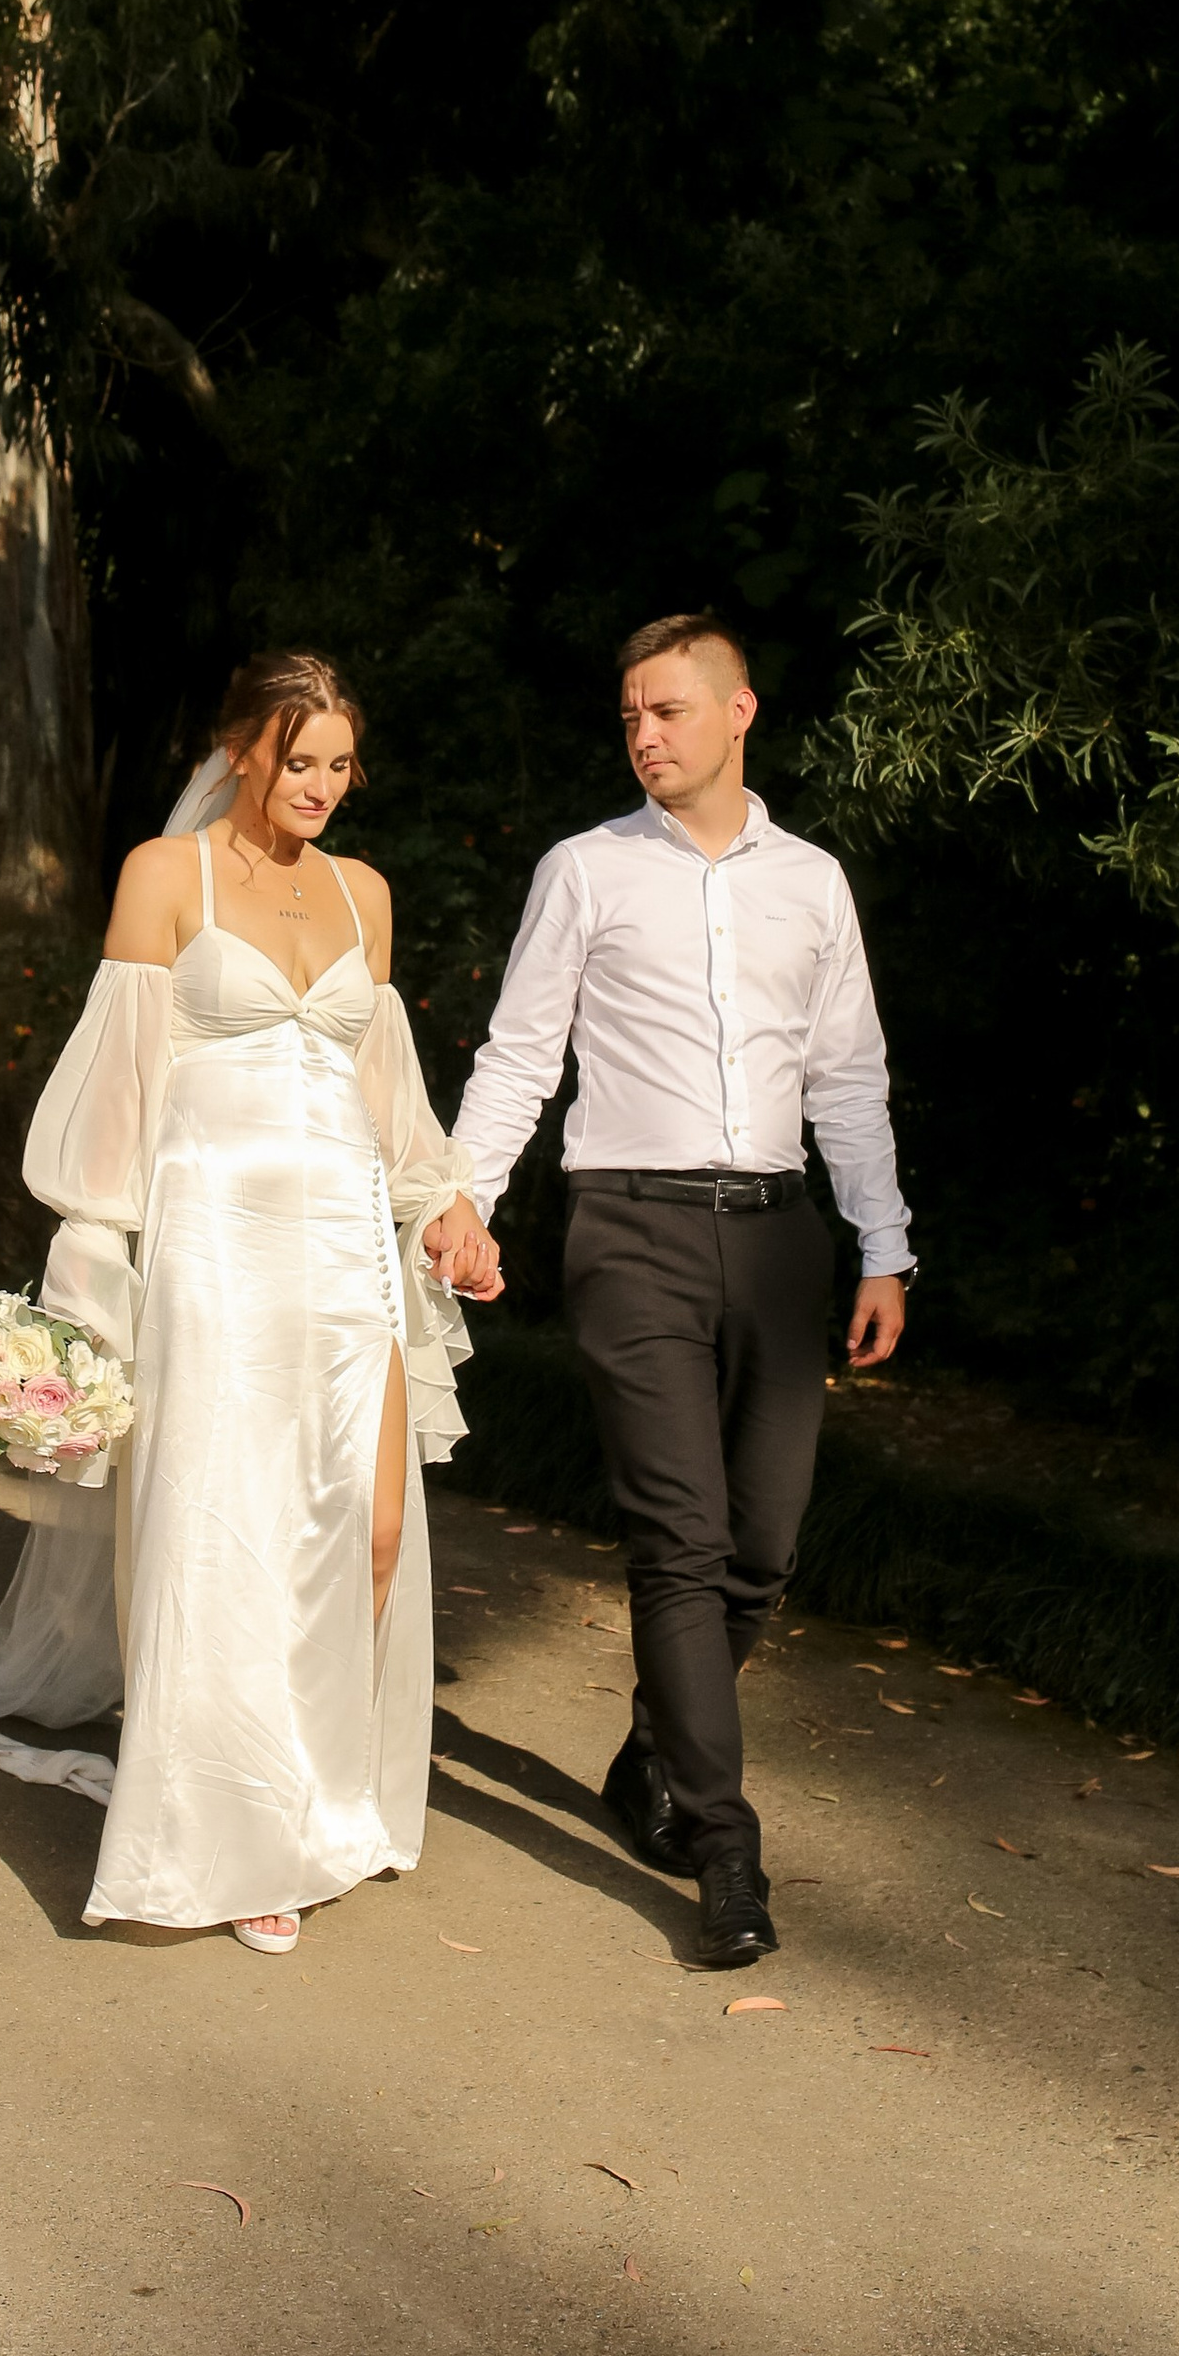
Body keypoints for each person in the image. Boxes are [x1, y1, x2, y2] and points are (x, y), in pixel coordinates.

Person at [0, 652, 498, 1955]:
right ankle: (237, 1841)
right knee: (228, 1542)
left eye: (341, 766)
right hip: (215, 1256)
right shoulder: (166, 877)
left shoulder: (365, 895)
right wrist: (84, 1292)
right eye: (299, 761)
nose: (322, 787)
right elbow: (120, 1087)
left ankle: (319, 1797)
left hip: (349, 1260)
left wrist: (446, 1202)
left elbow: (385, 1091)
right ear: (241, 752)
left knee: (374, 1534)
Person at [425, 611, 912, 1974]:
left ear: (740, 712)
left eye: (669, 710)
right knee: (681, 1543)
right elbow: (520, 1055)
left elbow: (848, 1076)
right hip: (630, 1231)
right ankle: (722, 1843)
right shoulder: (585, 870)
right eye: (631, 715)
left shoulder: (812, 883)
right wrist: (459, 1197)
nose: (644, 734)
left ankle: (653, 1751)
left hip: (777, 1238)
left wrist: (883, 1243)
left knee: (763, 1550)